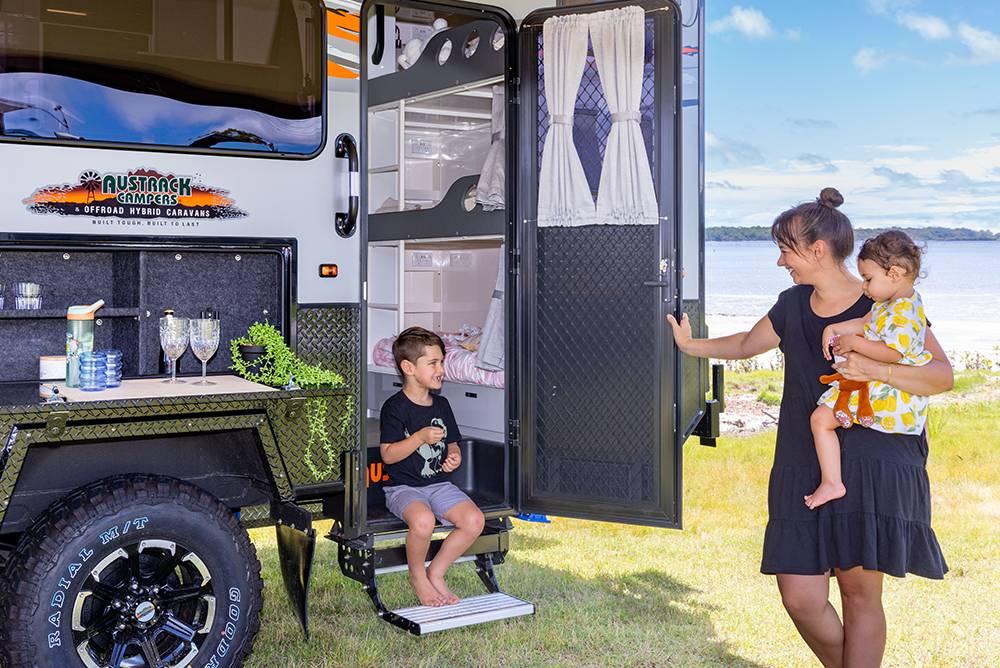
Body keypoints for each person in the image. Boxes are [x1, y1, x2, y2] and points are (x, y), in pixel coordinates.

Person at [667, 188, 951, 667]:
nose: (781, 261)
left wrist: (873, 369)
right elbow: (746, 344)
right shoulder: (792, 303)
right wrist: (690, 346)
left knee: (859, 595)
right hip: (801, 457)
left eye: (786, 250)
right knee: (799, 596)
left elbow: (940, 376)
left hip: (871, 459)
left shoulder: (884, 302)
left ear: (817, 249)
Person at [805, 230, 933, 509]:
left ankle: (832, 482)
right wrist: (834, 328)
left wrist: (854, 344)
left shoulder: (905, 312)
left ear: (895, 274)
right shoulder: (891, 304)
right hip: (877, 386)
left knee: (820, 420)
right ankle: (832, 481)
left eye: (868, 279)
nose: (863, 287)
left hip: (888, 393)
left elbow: (893, 353)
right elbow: (866, 323)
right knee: (821, 420)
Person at [379, 327, 486, 607]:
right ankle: (417, 577)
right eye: (433, 363)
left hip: (439, 485)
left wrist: (454, 455)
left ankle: (435, 572)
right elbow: (388, 455)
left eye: (442, 362)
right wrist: (419, 438)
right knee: (423, 522)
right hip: (403, 488)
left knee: (474, 521)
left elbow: (453, 443)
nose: (441, 370)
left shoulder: (441, 404)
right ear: (409, 368)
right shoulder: (394, 407)